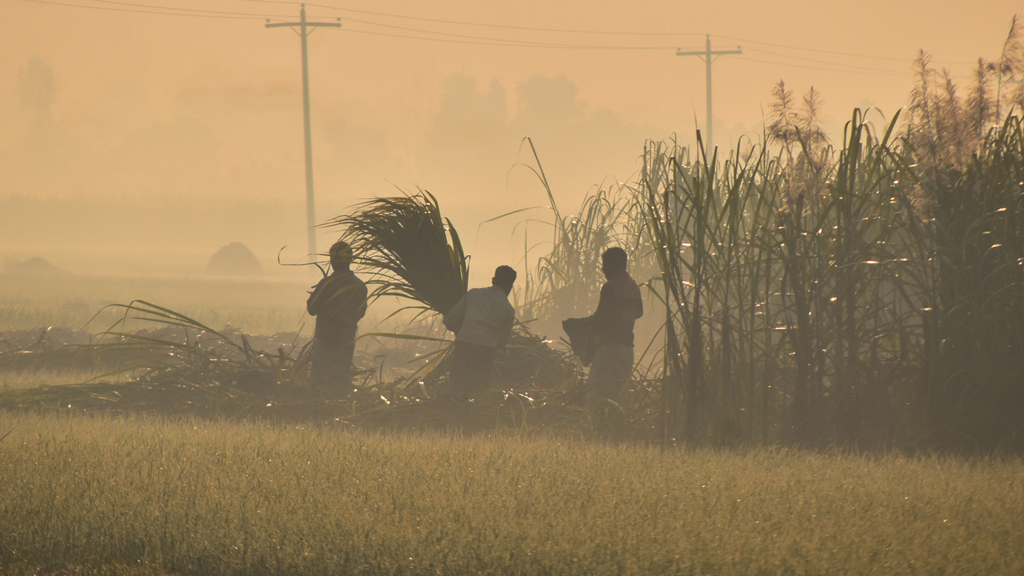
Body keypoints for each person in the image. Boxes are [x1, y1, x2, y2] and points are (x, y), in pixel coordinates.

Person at [564, 247, 644, 403]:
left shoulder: (610, 287)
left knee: (596, 396)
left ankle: (600, 427)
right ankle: (615, 426)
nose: (603, 269)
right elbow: (639, 313)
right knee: (618, 396)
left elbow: (600, 320)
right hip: (627, 349)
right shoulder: (633, 285)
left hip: (609, 349)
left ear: (615, 265)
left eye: (606, 265)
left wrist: (575, 324)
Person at [442, 265, 517, 397]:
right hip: (486, 350)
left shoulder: (474, 294)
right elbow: (501, 344)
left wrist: (462, 331)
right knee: (478, 391)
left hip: (463, 344)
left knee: (456, 387)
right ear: (510, 286)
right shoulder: (508, 310)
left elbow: (449, 320)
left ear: (493, 280)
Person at [306, 240, 368, 396]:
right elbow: (360, 313)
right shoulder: (359, 286)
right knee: (340, 380)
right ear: (350, 260)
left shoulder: (327, 284)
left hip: (326, 340)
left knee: (319, 382)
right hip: (346, 340)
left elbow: (312, 309)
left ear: (332, 261)